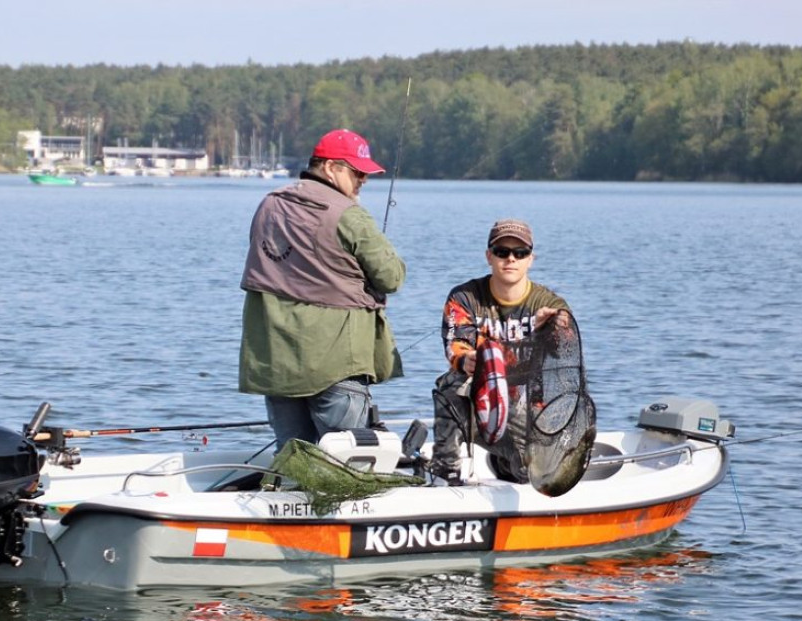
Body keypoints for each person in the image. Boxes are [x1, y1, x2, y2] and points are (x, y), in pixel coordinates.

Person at [239, 129, 406, 450]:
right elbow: (392, 277)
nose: (363, 180)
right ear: (331, 168)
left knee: (294, 457)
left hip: (277, 362)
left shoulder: (269, 206)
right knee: (347, 461)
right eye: (357, 172)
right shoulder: (349, 215)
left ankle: (287, 497)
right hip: (337, 365)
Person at [430, 218, 569, 484]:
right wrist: (468, 359)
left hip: (527, 407)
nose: (511, 259)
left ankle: (507, 461)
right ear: (489, 256)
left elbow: (565, 349)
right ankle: (444, 466)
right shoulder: (465, 297)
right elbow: (456, 346)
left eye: (520, 253)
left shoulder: (548, 302)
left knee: (532, 473)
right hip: (483, 399)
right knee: (451, 384)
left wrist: (551, 329)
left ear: (531, 259)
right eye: (502, 252)